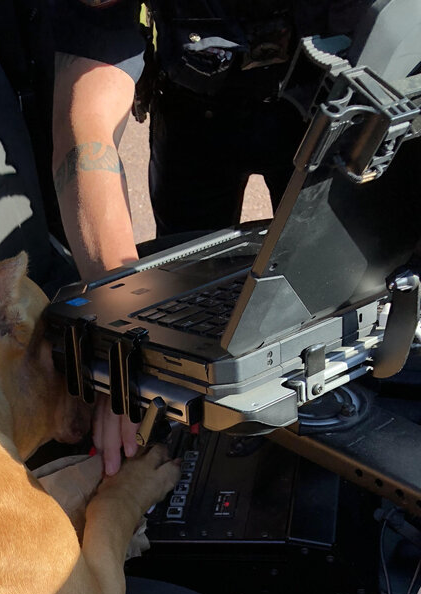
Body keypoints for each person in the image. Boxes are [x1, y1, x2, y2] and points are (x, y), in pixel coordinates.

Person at [50, 0, 367, 473]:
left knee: (341, 296)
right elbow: (87, 113)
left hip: (331, 111)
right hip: (195, 114)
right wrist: (123, 330)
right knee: (188, 315)